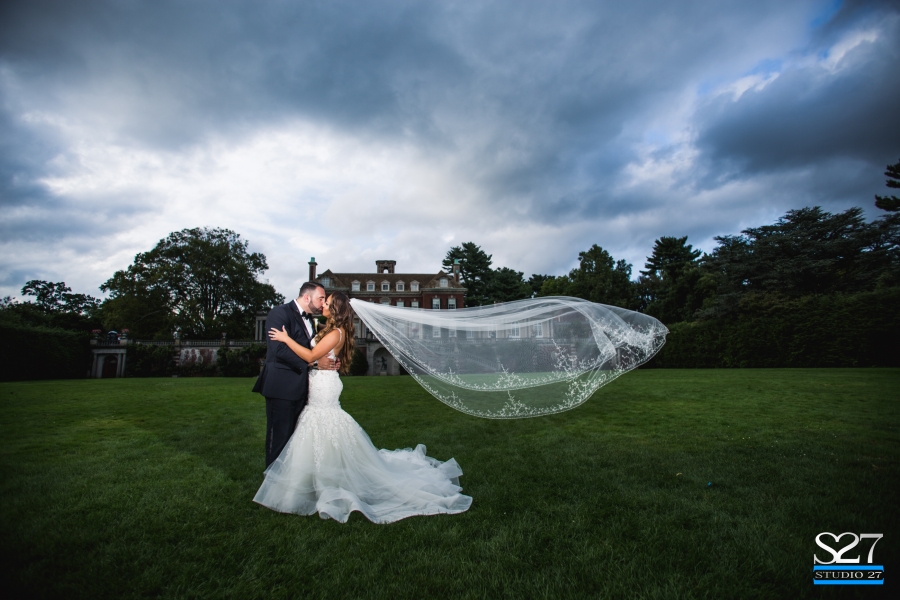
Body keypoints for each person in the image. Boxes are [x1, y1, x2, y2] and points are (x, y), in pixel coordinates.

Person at [254, 291, 472, 523]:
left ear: (335, 309)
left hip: (324, 386)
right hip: (320, 381)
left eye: (327, 303)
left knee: (322, 423)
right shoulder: (330, 329)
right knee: (318, 426)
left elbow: (310, 355)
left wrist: (286, 339)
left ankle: (320, 480)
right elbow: (317, 355)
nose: (323, 305)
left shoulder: (335, 332)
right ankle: (317, 477)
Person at [252, 282, 338, 468]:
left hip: (303, 388)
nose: (323, 303)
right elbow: (279, 349)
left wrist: (330, 359)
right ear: (307, 297)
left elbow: (312, 348)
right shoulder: (279, 313)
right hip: (281, 387)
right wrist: (314, 362)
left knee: (295, 440)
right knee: (279, 438)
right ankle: (272, 480)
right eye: (321, 298)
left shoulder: (311, 319)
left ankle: (288, 479)